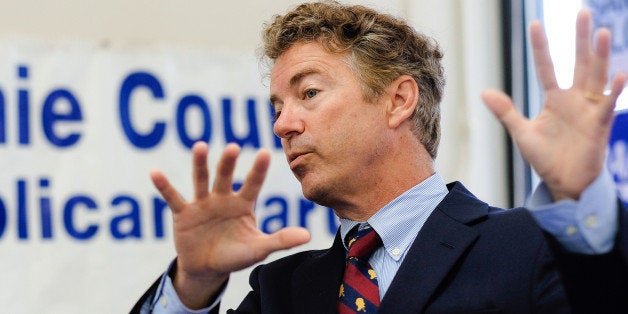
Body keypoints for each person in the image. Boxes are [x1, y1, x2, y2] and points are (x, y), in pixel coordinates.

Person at [133, 1, 628, 313]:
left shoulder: (527, 246)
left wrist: (582, 198)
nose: (283, 124)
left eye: (308, 93)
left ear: (398, 100)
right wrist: (193, 286)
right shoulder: (279, 290)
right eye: (277, 107)